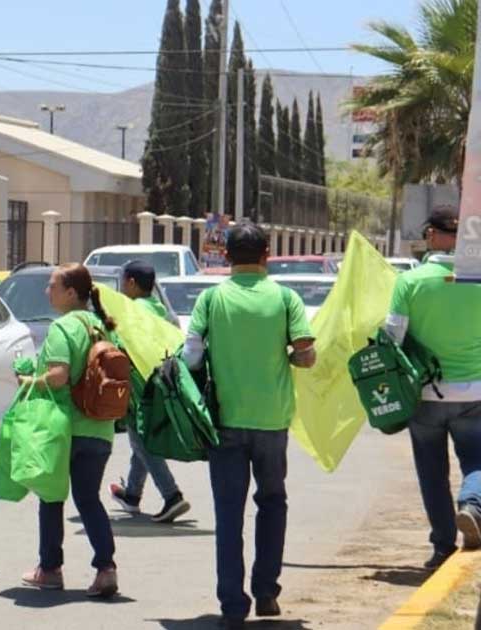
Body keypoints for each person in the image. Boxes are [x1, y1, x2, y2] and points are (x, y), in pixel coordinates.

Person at [183, 222, 316, 629]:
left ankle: (232, 606)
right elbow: (306, 355)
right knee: (272, 503)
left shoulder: (211, 299)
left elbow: (190, 358)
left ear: (226, 258)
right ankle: (266, 591)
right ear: (266, 255)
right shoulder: (286, 298)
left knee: (229, 514)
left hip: (224, 422)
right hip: (273, 421)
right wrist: (287, 359)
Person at [385, 207, 481, 568]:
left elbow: (392, 336)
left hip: (425, 394)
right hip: (475, 390)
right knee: (476, 459)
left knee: (432, 472)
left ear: (431, 236)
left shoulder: (410, 282)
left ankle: (442, 545)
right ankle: (472, 505)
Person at [18, 263, 120, 598]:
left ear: (71, 293)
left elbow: (59, 376)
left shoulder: (64, 328)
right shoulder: (104, 327)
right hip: (101, 428)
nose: (48, 291)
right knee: (89, 499)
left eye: (52, 286)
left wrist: (29, 381)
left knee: (51, 495)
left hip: (65, 429)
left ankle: (50, 569)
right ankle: (106, 569)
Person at [109, 259, 191, 523]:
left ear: (131, 283)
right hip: (161, 382)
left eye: (123, 282)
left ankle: (171, 495)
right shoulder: (161, 310)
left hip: (138, 386)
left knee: (141, 440)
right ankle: (132, 494)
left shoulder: (131, 311)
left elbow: (121, 345)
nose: (122, 287)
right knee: (140, 440)